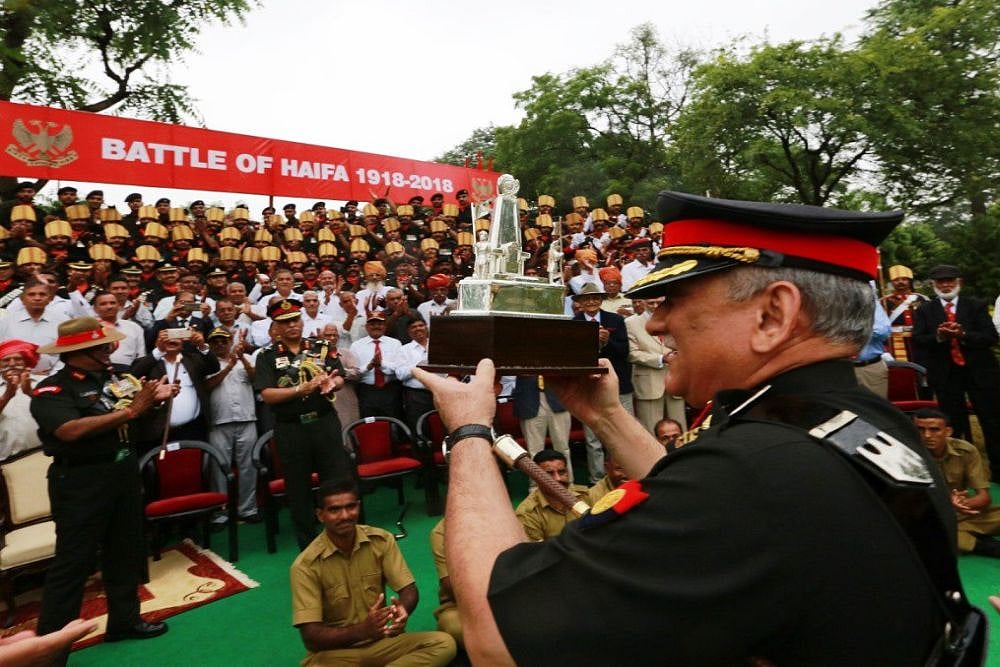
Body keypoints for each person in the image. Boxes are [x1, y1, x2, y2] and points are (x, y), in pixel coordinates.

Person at [412, 191, 962, 665]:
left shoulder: (754, 471)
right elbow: (712, 510)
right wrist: (605, 414)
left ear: (774, 315)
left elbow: (499, 635)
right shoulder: (862, 422)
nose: (654, 321)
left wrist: (468, 433)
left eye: (675, 298)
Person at [30, 318, 175, 664]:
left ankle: (124, 621)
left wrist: (151, 402)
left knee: (125, 551)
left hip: (121, 472)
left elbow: (129, 419)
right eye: (102, 346)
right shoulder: (53, 389)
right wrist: (133, 409)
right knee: (74, 564)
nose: (110, 349)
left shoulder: (112, 379)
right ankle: (50, 648)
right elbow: (69, 430)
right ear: (81, 352)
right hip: (81, 481)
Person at [289, 480, 456, 666]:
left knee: (443, 644)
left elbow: (409, 590)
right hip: (336, 654)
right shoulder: (305, 566)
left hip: (382, 643)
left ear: (358, 507)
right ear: (320, 515)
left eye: (350, 507)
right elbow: (311, 637)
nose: (345, 515)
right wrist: (362, 631)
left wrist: (403, 610)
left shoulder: (381, 541)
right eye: (335, 510)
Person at [254, 299, 351, 550]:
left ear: (301, 320)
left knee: (336, 481)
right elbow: (267, 394)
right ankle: (310, 548)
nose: (292, 326)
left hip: (324, 424)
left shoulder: (321, 347)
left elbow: (339, 376)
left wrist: (334, 383)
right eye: (285, 323)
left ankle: (345, 538)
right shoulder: (266, 356)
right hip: (291, 428)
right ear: (276, 326)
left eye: (295, 320)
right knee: (298, 489)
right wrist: (301, 389)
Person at [913, 264, 1000, 478]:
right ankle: (959, 476)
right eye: (940, 281)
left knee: (992, 421)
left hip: (980, 373)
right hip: (946, 375)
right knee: (953, 423)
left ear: (958, 282)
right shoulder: (925, 310)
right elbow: (919, 339)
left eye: (950, 280)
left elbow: (990, 337)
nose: (945, 285)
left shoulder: (976, 306)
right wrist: (940, 336)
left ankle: (998, 471)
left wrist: (963, 335)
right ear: (933, 285)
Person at [914, 408, 1000, 557]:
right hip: (929, 517)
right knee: (927, 533)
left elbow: (984, 498)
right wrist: (946, 504)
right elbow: (908, 506)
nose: (927, 435)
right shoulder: (908, 454)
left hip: (962, 513)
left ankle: (965, 534)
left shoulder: (966, 451)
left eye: (934, 430)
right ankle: (984, 546)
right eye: (920, 429)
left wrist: (961, 504)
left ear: (948, 431)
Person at [572, 282, 633, 484]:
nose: (591, 301)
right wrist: (590, 341)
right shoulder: (574, 324)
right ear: (579, 302)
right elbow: (573, 357)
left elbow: (624, 352)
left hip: (619, 385)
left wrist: (607, 341)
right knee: (593, 438)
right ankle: (597, 480)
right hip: (589, 387)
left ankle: (629, 474)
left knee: (625, 432)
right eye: (586, 298)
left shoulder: (615, 320)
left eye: (595, 297)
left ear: (601, 300)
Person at [205, 327, 259, 522]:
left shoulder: (247, 359)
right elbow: (207, 386)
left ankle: (248, 509)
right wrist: (228, 367)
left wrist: (242, 359)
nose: (220, 344)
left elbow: (256, 379)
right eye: (215, 341)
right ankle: (221, 512)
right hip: (219, 421)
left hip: (246, 418)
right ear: (210, 345)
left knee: (248, 466)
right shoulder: (207, 363)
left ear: (230, 341)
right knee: (219, 467)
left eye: (224, 340)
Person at [626, 296, 687, 434]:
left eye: (658, 303)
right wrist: (661, 359)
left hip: (676, 379)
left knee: (680, 429)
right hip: (649, 383)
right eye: (650, 303)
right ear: (642, 302)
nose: (654, 306)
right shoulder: (631, 323)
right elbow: (632, 353)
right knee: (650, 430)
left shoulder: (676, 318)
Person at [513, 450, 589, 542]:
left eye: (562, 472)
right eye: (549, 474)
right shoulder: (527, 513)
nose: (557, 479)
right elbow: (539, 552)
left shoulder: (585, 496)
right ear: (536, 478)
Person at [880, 264, 929, 362]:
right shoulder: (884, 301)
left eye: (904, 279)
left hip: (918, 340)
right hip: (895, 342)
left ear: (909, 281)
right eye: (896, 280)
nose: (900, 282)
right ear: (892, 282)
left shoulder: (922, 299)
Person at [428, 519, 463, 649]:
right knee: (451, 626)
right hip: (459, 605)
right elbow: (451, 588)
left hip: (504, 597)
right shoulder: (441, 532)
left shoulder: (498, 517)